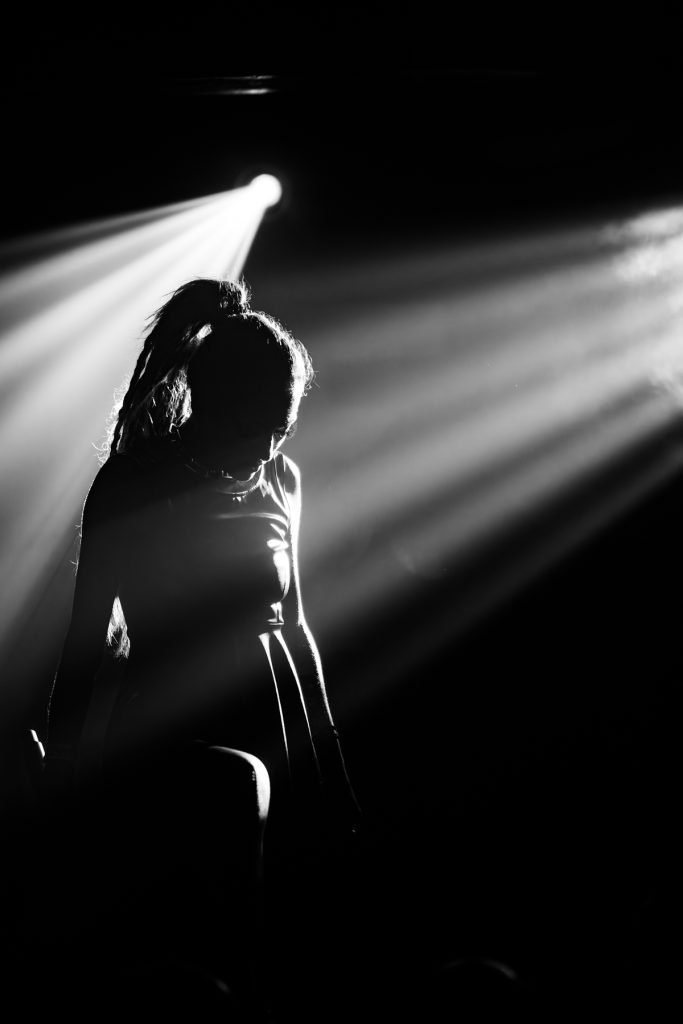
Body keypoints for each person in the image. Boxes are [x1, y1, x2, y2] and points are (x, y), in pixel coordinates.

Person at [41, 277, 360, 1007]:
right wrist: (63, 776)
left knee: (274, 926)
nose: (273, 444)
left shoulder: (282, 476)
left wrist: (327, 755)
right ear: (216, 406)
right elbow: (86, 642)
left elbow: (298, 621)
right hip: (170, 729)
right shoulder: (130, 485)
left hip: (271, 713)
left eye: (285, 427)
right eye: (261, 426)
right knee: (190, 920)